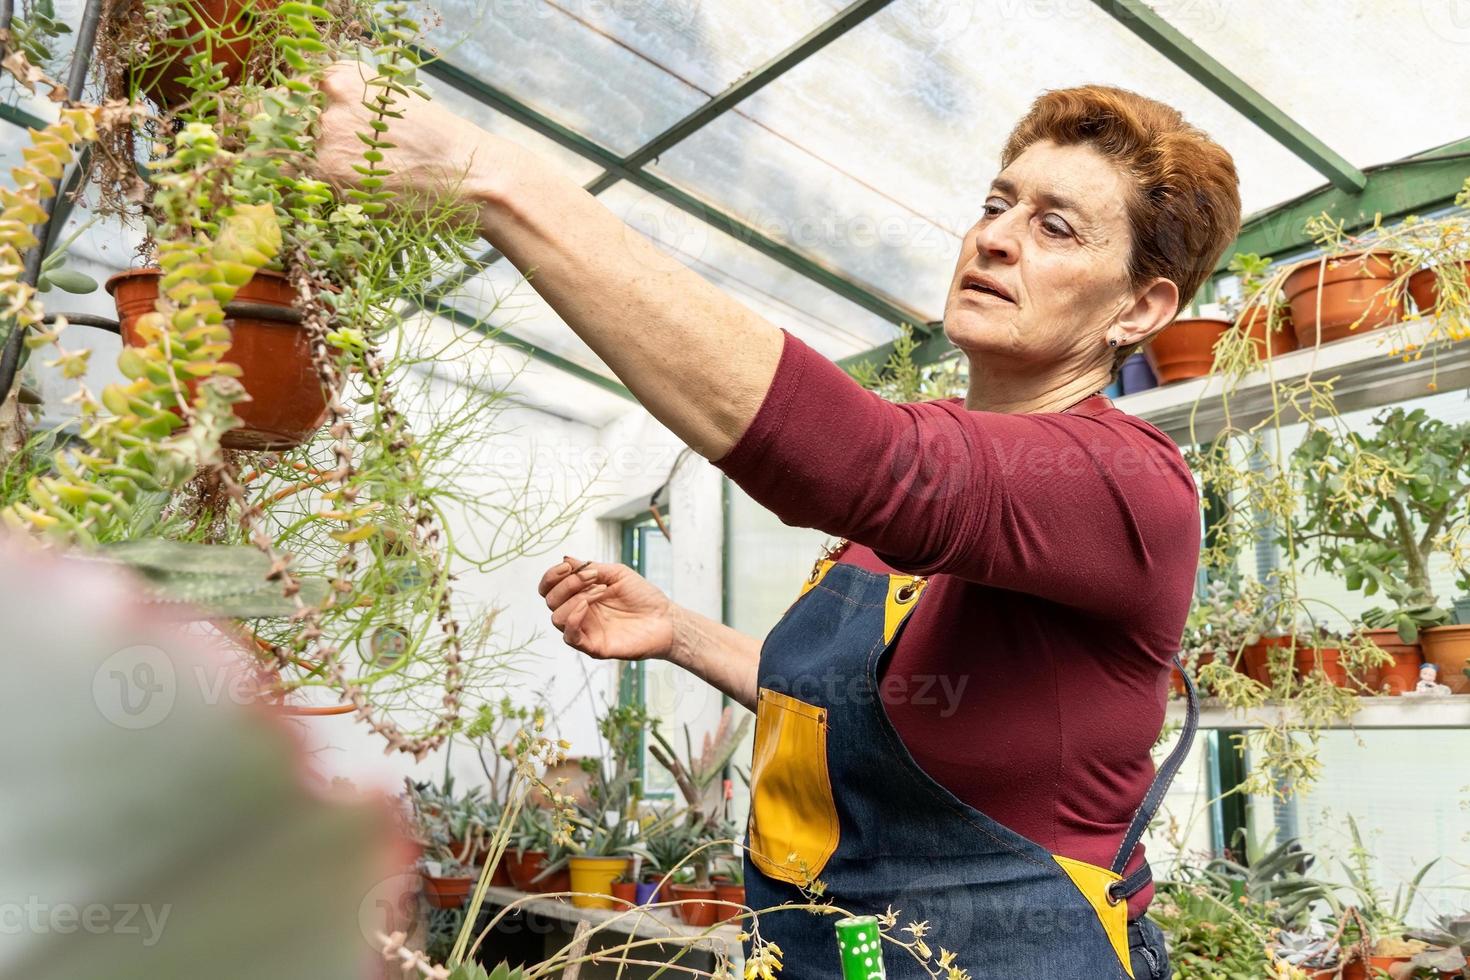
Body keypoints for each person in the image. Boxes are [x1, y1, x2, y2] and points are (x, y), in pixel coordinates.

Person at [315, 67, 1239, 979]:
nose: (996, 238)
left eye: (1055, 226)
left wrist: (496, 181)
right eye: (997, 204)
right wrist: (678, 632)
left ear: (1140, 307)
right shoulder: (906, 530)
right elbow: (859, 707)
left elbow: (857, 460)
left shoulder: (1125, 482)